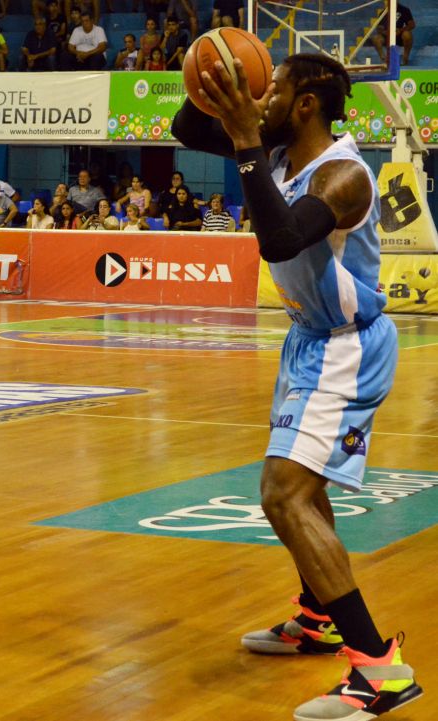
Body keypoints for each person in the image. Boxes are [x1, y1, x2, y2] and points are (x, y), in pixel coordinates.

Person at [172, 51, 422, 720]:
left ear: (306, 104)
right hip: (308, 340)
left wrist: (244, 137)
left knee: (282, 495)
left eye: (271, 89)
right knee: (304, 490)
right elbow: (185, 127)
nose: (261, 100)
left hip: (345, 346)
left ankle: (380, 670)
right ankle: (318, 619)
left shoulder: (343, 175)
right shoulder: (279, 156)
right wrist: (209, 74)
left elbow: (280, 242)